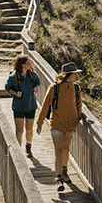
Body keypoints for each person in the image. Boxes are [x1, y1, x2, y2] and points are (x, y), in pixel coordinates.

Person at [37, 63, 84, 191]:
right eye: (75, 73)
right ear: (69, 75)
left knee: (66, 149)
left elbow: (79, 105)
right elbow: (46, 105)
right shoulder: (54, 88)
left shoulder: (76, 88)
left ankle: (64, 171)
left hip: (70, 124)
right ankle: (59, 179)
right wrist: (40, 123)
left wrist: (80, 116)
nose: (76, 75)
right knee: (58, 150)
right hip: (57, 124)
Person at [4, 55, 41, 157]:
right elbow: (7, 88)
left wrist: (36, 88)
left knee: (29, 129)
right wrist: (15, 93)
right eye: (28, 62)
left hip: (31, 106)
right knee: (19, 130)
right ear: (22, 64)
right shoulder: (13, 77)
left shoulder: (33, 75)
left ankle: (28, 146)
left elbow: (38, 83)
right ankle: (18, 151)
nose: (30, 64)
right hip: (18, 107)